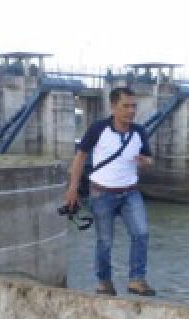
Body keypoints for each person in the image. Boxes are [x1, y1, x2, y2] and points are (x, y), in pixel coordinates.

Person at [64, 86, 155, 296]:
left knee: (141, 234)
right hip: (102, 193)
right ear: (113, 106)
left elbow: (149, 158)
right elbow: (80, 158)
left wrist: (146, 162)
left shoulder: (139, 132)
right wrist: (73, 188)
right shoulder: (98, 129)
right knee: (104, 241)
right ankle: (105, 282)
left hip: (130, 193)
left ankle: (136, 280)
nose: (131, 111)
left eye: (134, 106)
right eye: (126, 106)